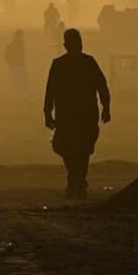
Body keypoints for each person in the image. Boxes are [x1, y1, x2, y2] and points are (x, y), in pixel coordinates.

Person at [43, 27, 111, 200]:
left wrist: (48, 114)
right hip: (80, 115)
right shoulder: (86, 62)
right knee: (80, 149)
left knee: (75, 149)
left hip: (73, 115)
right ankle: (77, 180)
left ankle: (76, 180)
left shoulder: (61, 64)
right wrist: (106, 107)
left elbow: (50, 91)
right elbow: (102, 86)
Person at [4, 29, 29, 95]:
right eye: (21, 35)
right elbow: (8, 54)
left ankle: (22, 91)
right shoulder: (13, 44)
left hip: (19, 63)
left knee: (21, 77)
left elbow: (22, 54)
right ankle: (18, 91)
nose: (22, 37)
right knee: (17, 77)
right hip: (15, 64)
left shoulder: (20, 43)